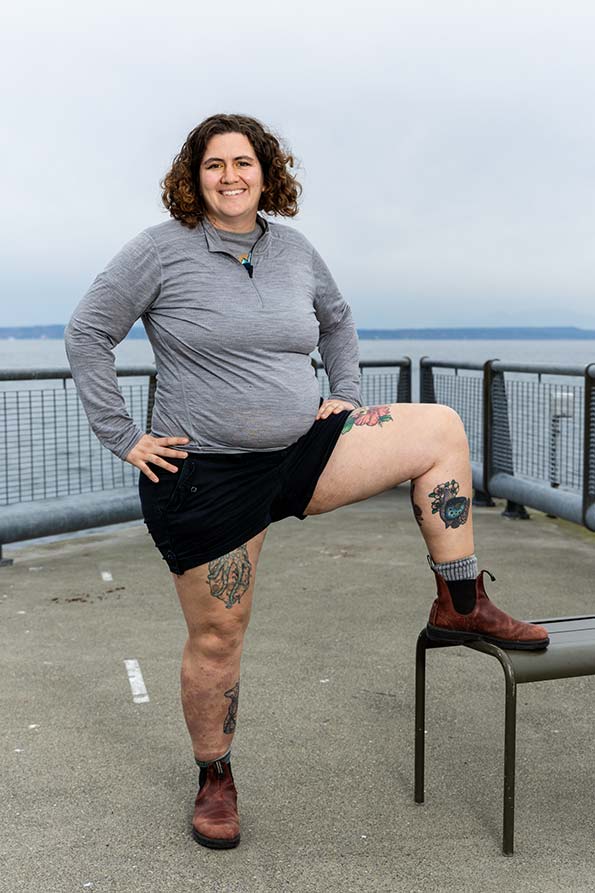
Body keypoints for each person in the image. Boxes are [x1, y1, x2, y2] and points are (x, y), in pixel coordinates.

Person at [64, 113, 549, 851]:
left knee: (441, 430)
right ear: (193, 177)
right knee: (219, 634)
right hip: (207, 474)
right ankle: (214, 775)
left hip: (302, 450)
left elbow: (337, 319)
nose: (230, 176)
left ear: (267, 171)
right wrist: (124, 437)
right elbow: (87, 330)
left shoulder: (292, 249)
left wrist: (345, 389)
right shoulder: (159, 251)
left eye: (243, 162)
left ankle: (460, 601)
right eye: (214, 165)